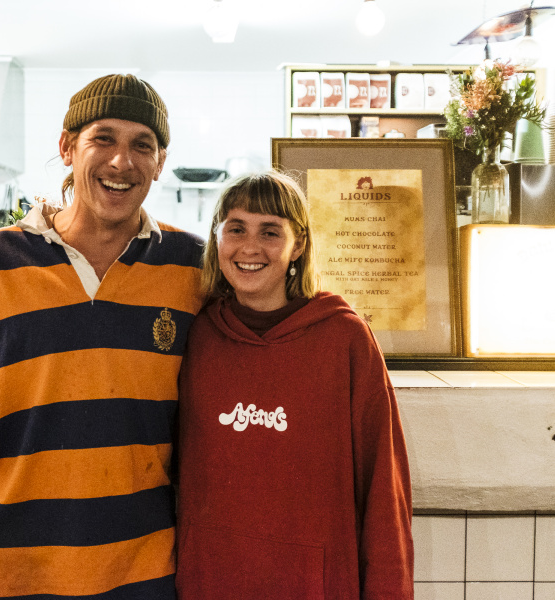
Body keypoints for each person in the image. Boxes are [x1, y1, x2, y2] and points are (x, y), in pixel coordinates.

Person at [0, 74, 204, 600]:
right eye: (103, 139)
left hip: (142, 573)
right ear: (67, 147)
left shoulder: (192, 268)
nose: (122, 161)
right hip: (3, 571)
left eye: (143, 145)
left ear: (161, 162)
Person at [175, 172, 413, 599]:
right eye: (236, 229)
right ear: (217, 238)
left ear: (298, 245)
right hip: (209, 579)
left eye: (270, 232)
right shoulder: (197, 334)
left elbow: (384, 488)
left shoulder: (344, 339)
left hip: (314, 584)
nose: (250, 248)